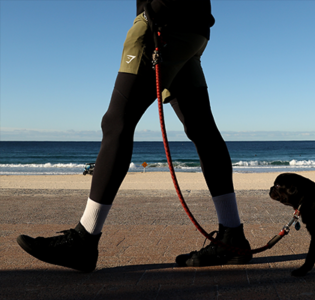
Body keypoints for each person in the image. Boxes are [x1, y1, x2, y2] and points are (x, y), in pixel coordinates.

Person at [16, 0, 252, 272]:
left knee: (116, 123)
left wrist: (157, 9)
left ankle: (84, 238)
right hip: (194, 29)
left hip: (163, 22)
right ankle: (232, 237)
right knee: (203, 131)